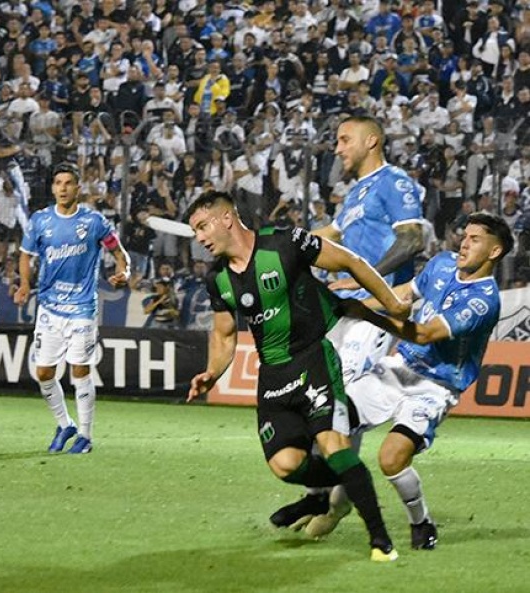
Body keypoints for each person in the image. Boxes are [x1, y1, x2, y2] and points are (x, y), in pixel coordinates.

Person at [185, 191, 409, 561]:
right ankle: (342, 485)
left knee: (332, 443)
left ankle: (381, 542)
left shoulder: (285, 243)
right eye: (195, 231)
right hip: (273, 374)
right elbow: (224, 336)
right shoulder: (217, 279)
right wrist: (213, 372)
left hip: (314, 356)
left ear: (227, 218)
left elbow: (350, 261)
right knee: (285, 464)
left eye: (202, 226)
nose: (199, 237)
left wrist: (391, 302)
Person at [307, 212, 512, 551]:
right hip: (398, 368)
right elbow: (403, 293)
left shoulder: (483, 300)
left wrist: (365, 313)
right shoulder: (442, 264)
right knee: (329, 418)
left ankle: (421, 522)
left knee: (392, 459)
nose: (464, 243)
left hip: (435, 387)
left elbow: (425, 333)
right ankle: (333, 501)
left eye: (476, 240)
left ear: (494, 252)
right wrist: (355, 298)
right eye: (465, 235)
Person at [270, 114, 425, 532]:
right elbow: (330, 236)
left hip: (374, 309)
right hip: (343, 308)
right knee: (322, 397)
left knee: (340, 401)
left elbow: (414, 238)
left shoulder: (395, 182)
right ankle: (326, 497)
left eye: (344, 139)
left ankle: (332, 502)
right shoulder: (356, 192)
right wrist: (275, 242)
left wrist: (365, 272)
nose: (337, 148)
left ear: (371, 140)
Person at [13, 163, 131, 454]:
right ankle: (65, 424)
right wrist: (25, 284)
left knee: (80, 371)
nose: (63, 188)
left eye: (68, 183)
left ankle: (86, 436)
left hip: (81, 308)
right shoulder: (40, 221)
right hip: (49, 308)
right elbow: (25, 256)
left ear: (78, 188)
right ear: (53, 187)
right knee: (43, 373)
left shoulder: (94, 222)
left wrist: (124, 272)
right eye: (58, 183)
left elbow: (118, 252)